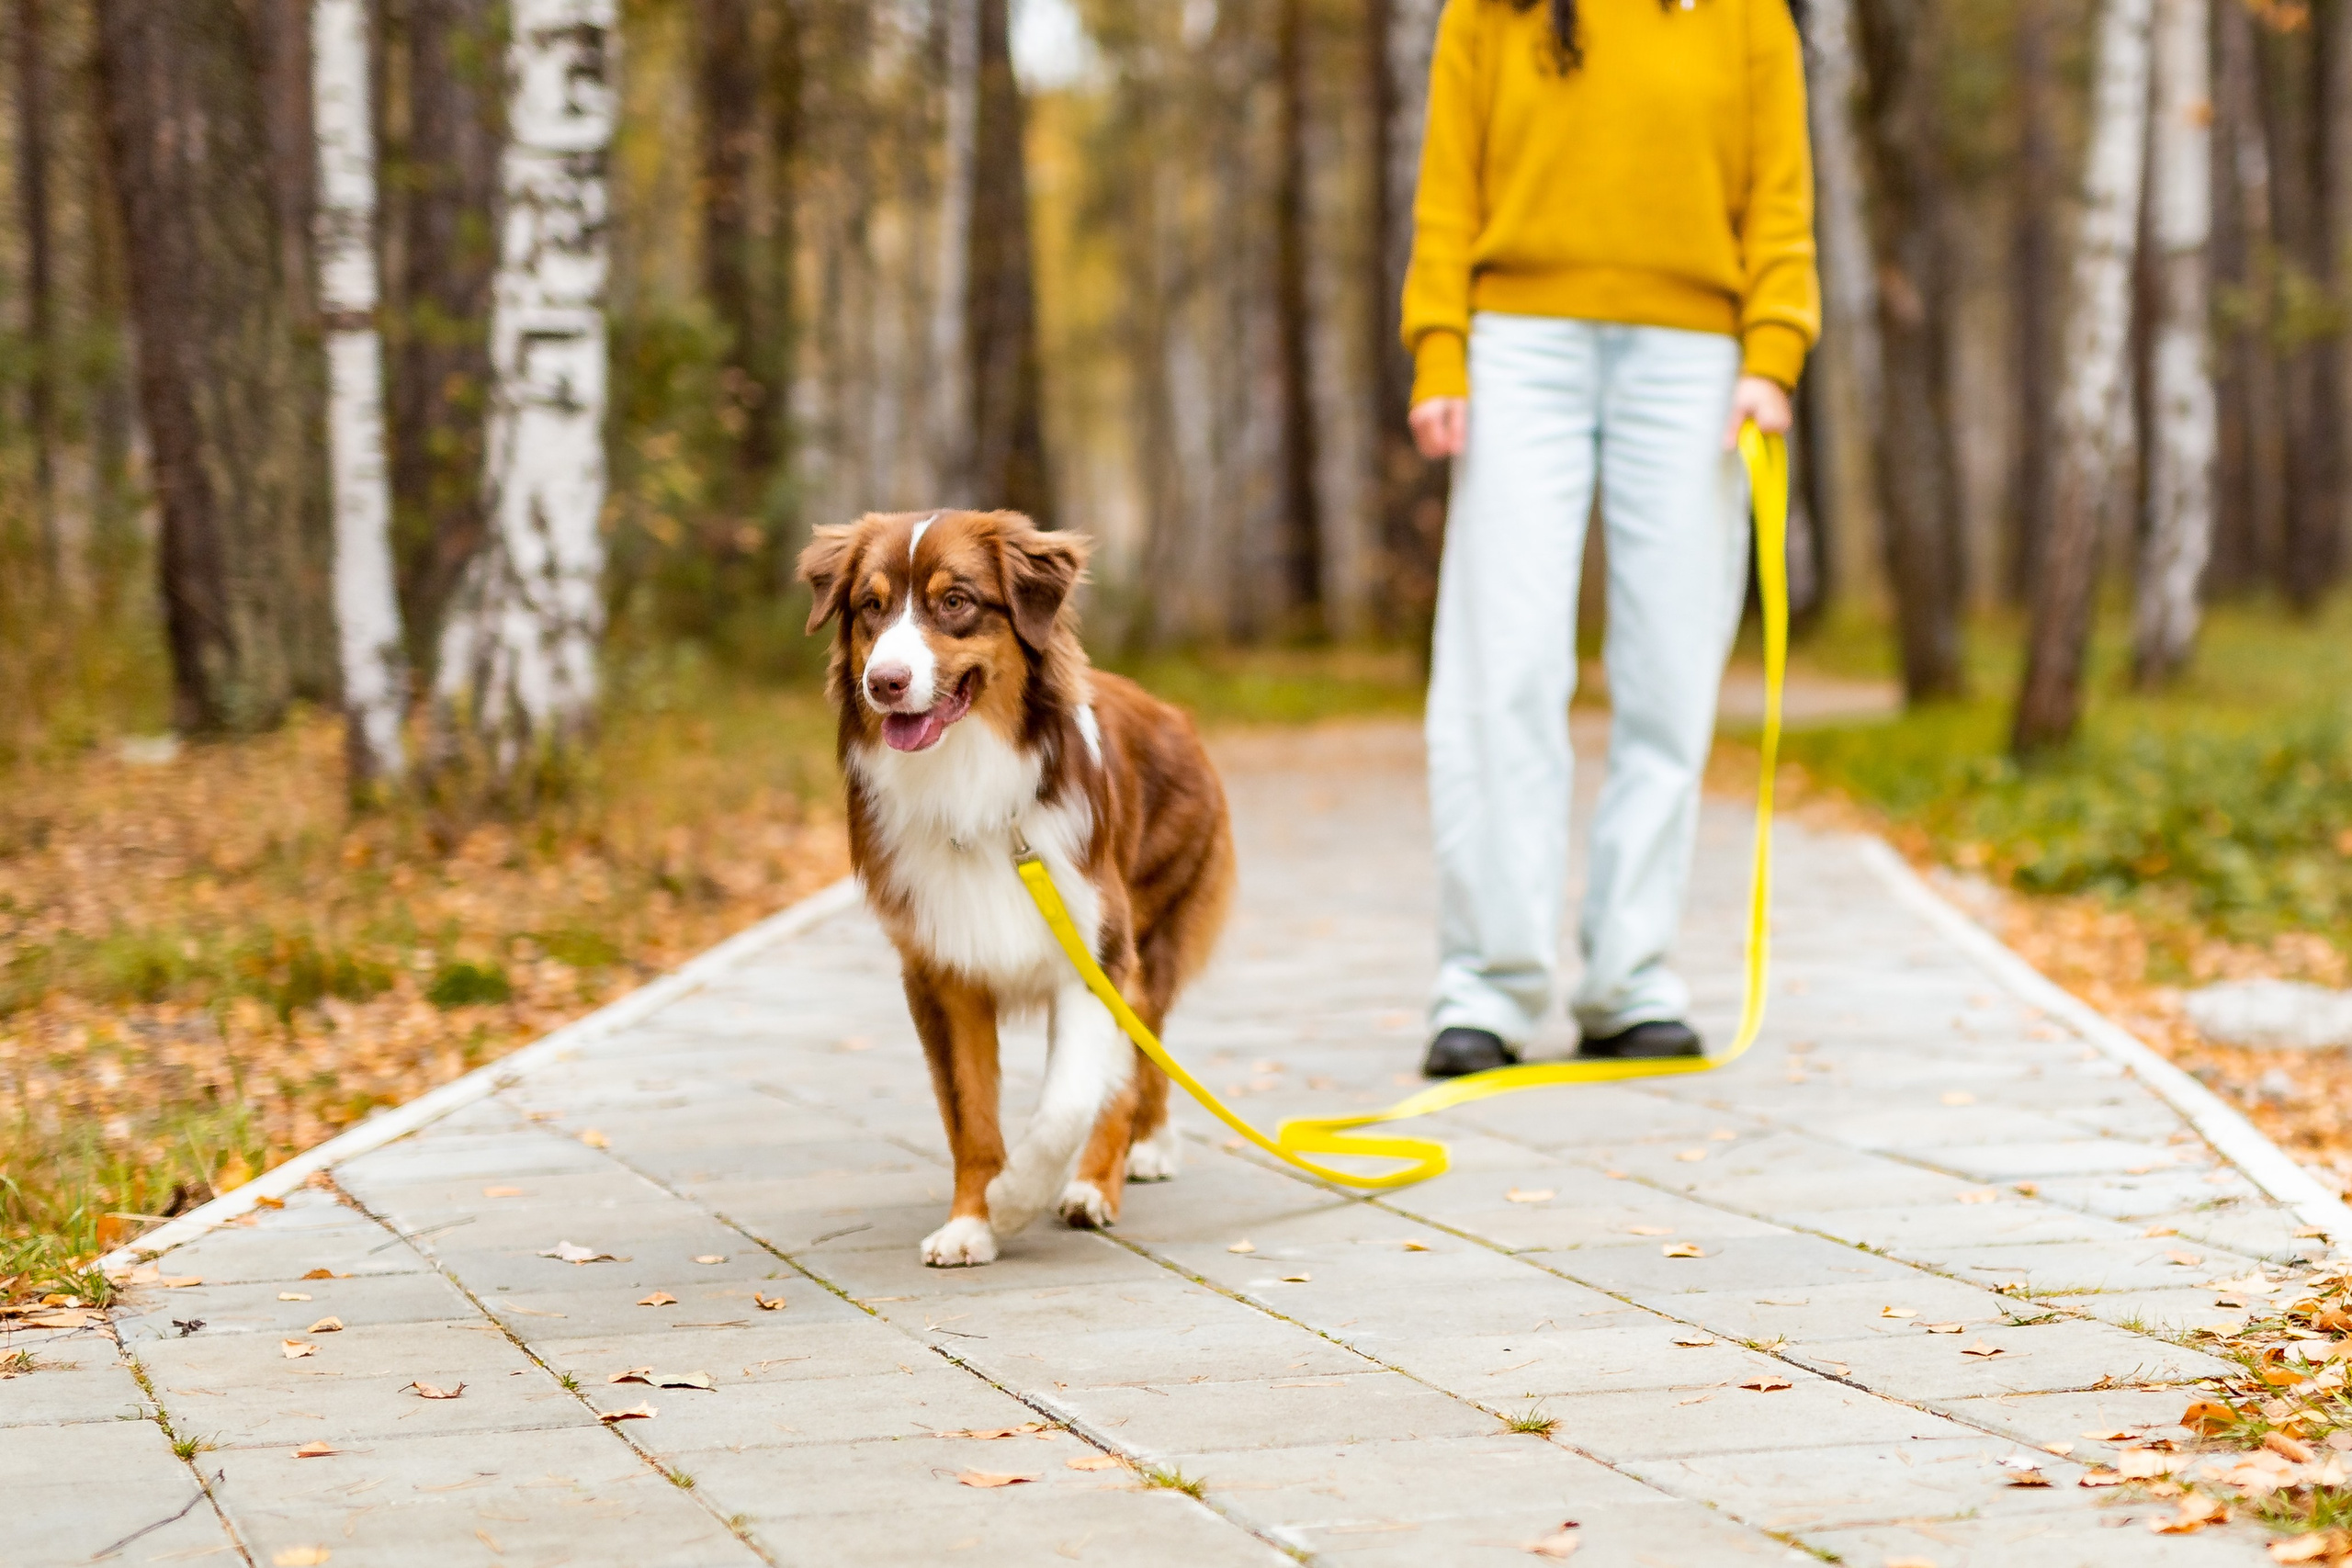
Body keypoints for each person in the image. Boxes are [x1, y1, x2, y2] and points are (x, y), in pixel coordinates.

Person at [1402, 0, 1819, 1077]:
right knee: (1503, 669)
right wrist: (1440, 348)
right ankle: (1487, 989)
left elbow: (1779, 195)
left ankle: (1631, 981)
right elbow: (1446, 190)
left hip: (1695, 354)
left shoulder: (1748, 17)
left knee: (1670, 672)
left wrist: (1773, 349)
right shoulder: (1487, 13)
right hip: (1518, 348)